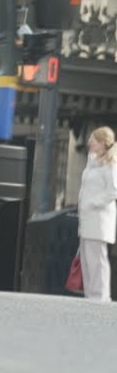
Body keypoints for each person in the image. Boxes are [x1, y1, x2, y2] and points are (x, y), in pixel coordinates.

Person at [78, 125, 117, 301]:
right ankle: (90, 294)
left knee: (97, 258)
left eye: (92, 139)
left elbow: (113, 191)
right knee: (87, 258)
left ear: (102, 143)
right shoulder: (92, 162)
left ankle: (101, 296)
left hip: (99, 218)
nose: (89, 142)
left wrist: (94, 203)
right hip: (87, 218)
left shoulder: (111, 165)